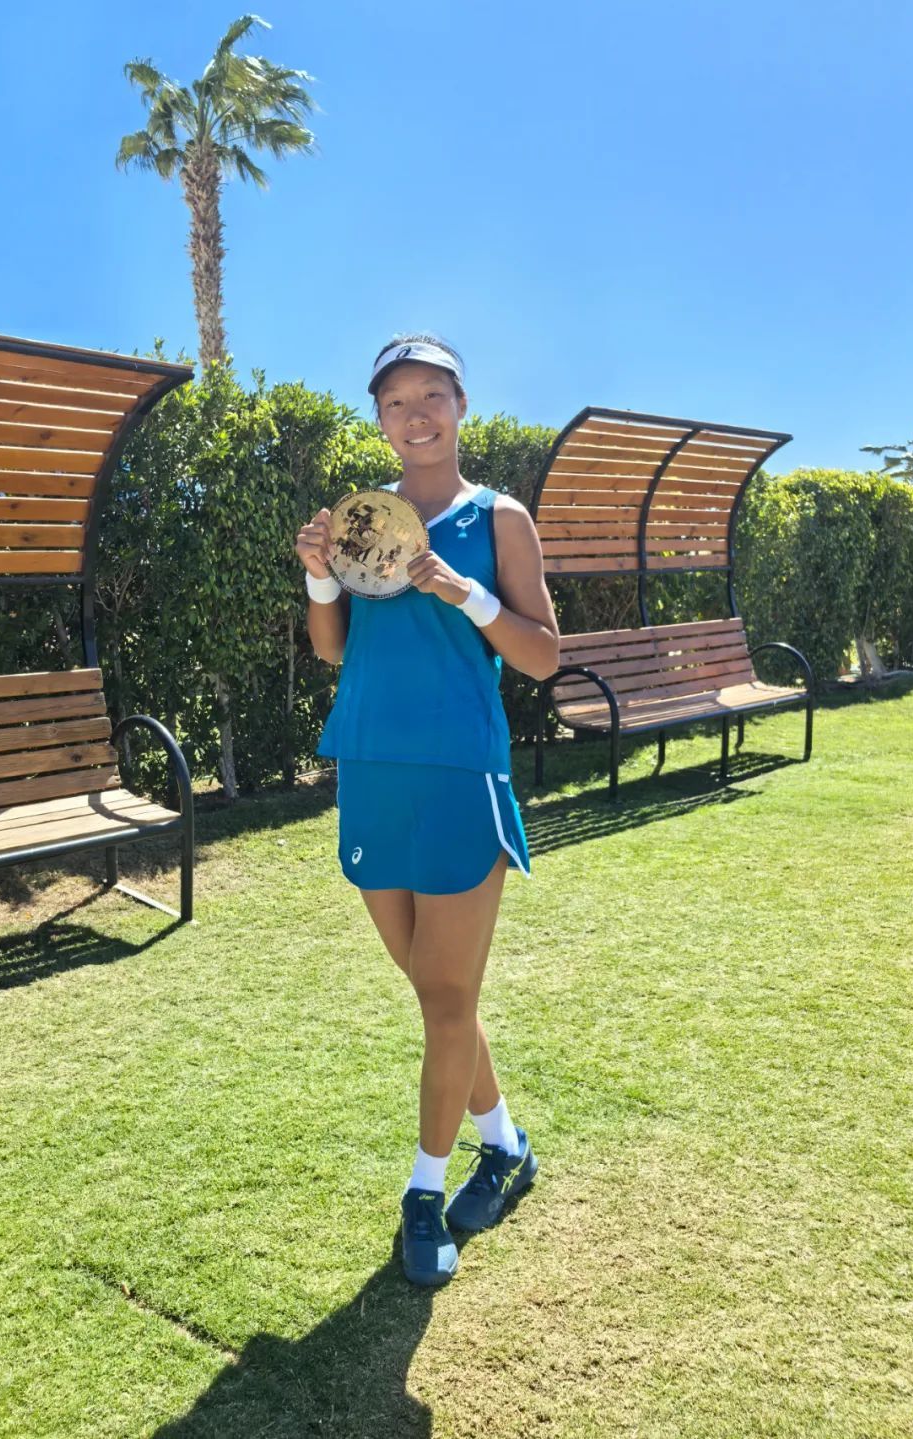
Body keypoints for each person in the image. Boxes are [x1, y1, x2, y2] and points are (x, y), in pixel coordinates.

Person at [294, 334, 559, 1286]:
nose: (416, 414)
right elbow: (333, 648)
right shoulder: (368, 520)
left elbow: (542, 655)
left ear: (460, 406)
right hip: (370, 766)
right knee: (436, 991)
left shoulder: (501, 518)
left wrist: (463, 590)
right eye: (397, 400)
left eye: (432, 395)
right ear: (379, 420)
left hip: (459, 774)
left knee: (446, 998)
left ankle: (423, 1191)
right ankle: (507, 1144)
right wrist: (319, 571)